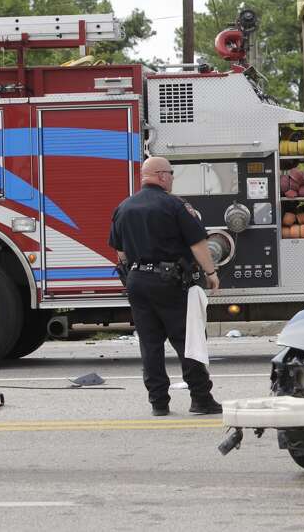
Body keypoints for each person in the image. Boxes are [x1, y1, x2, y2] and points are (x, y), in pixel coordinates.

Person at [109, 156, 222, 416]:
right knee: (188, 340)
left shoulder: (124, 207)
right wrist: (210, 272)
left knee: (150, 344)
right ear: (161, 176)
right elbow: (197, 244)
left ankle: (158, 403)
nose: (172, 178)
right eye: (171, 173)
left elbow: (121, 252)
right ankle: (201, 399)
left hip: (137, 281)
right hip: (170, 282)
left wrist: (135, 275)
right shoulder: (175, 206)